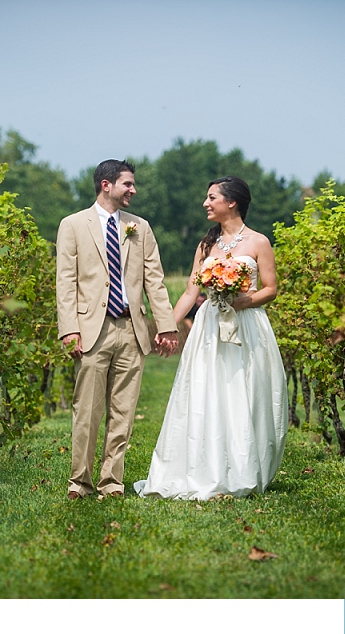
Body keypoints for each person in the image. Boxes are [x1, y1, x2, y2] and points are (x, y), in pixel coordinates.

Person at [134, 176, 289, 500]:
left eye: (211, 197)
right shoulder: (206, 245)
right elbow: (192, 292)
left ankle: (243, 466)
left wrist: (241, 301)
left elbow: (271, 289)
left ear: (231, 202)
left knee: (242, 392)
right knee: (206, 391)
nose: (206, 203)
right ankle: (201, 466)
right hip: (209, 327)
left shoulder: (259, 242)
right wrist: (166, 325)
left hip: (246, 326)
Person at [56, 159, 179, 500]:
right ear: (106, 185)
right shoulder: (72, 225)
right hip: (90, 330)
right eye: (128, 184)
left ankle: (112, 482)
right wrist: (69, 329)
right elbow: (65, 282)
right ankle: (79, 482)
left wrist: (166, 325)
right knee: (88, 410)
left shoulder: (140, 227)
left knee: (123, 412)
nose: (134, 190)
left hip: (131, 329)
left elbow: (155, 280)